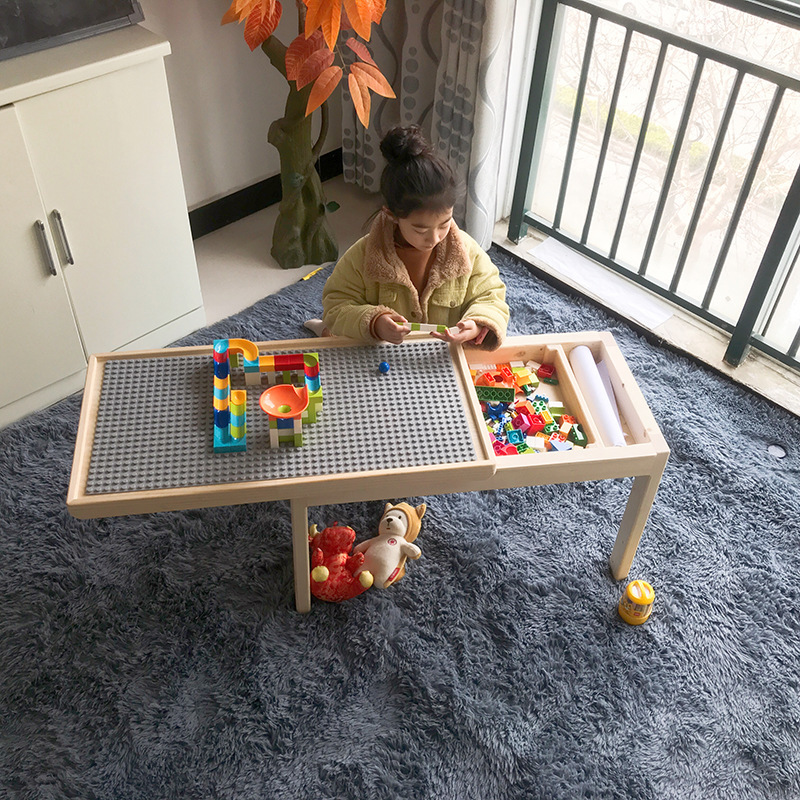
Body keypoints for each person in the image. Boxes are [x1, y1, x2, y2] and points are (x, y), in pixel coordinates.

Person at [305, 125, 509, 350]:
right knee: (338, 338)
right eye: (420, 230)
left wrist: (478, 323)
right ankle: (324, 330)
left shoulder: (466, 252)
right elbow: (336, 305)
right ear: (391, 215)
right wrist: (374, 322)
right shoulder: (363, 256)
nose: (434, 238)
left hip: (441, 353)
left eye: (444, 224)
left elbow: (491, 294)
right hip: (385, 352)